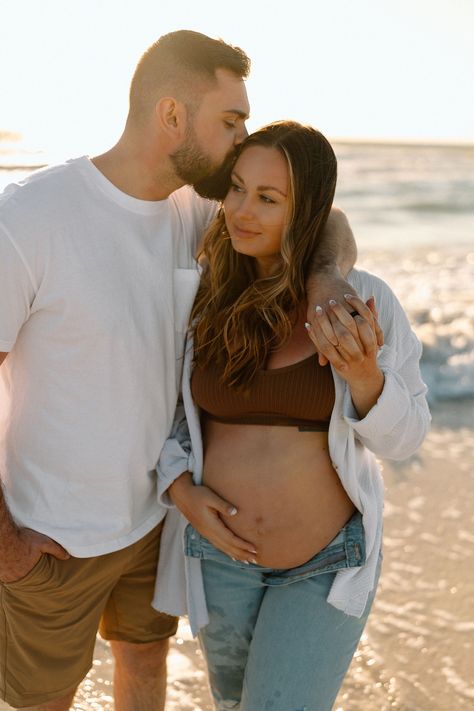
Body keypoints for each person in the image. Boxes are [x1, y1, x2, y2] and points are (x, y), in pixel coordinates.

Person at [0, 32, 358, 711]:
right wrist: (5, 543)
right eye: (230, 123)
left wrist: (326, 277)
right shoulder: (29, 216)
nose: (241, 139)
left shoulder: (195, 212)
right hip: (50, 534)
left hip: (154, 520)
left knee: (144, 665)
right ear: (172, 116)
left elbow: (324, 218)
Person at [153, 120, 431, 711]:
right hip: (218, 557)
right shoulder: (204, 298)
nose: (241, 210)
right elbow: (169, 416)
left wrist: (364, 378)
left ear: (307, 211)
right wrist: (179, 487)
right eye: (236, 188)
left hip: (327, 565)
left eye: (269, 199)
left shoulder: (359, 299)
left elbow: (407, 439)